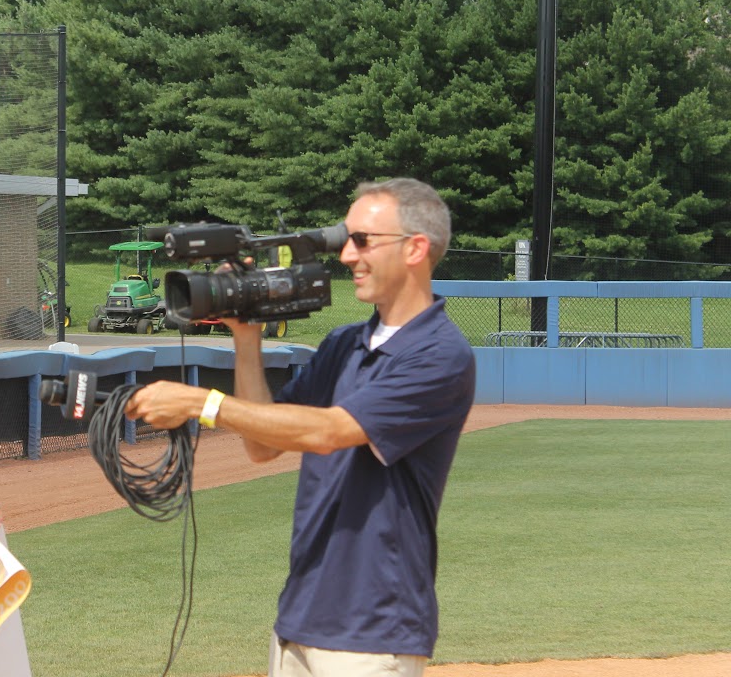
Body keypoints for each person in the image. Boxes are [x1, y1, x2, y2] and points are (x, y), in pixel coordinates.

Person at [127, 178, 477, 677]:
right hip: (300, 618)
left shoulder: (439, 354)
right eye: (345, 240)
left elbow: (330, 432)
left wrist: (200, 402)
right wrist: (246, 340)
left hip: (373, 630)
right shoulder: (343, 344)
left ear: (416, 248)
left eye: (361, 241)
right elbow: (262, 448)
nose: (347, 256)